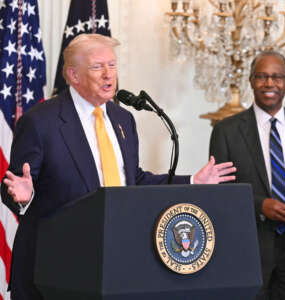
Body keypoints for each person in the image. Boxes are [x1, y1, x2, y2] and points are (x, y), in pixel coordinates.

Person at [1, 33, 236, 300]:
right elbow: (15, 186)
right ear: (73, 75)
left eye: (112, 65)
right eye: (97, 67)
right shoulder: (41, 121)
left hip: (111, 265)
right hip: (54, 268)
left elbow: (132, 180)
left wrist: (193, 181)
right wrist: (23, 196)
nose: (108, 75)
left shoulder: (123, 118)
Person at [209, 51, 285, 300]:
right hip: (248, 255)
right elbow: (218, 195)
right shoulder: (226, 131)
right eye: (262, 77)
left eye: (277, 77)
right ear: (251, 81)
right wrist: (261, 206)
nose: (269, 83)